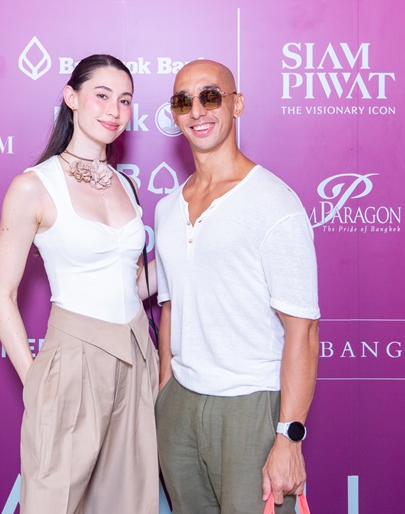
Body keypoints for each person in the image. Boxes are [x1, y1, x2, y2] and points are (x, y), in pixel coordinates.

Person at [0, 54, 159, 514]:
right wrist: (34, 381)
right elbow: (2, 295)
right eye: (102, 95)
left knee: (129, 503)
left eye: (125, 100)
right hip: (73, 358)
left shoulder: (127, 185)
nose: (114, 111)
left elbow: (130, 282)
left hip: (136, 355)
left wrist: (188, 254)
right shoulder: (33, 186)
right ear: (72, 98)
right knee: (54, 501)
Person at [154, 59, 320, 513]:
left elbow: (303, 330)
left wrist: (289, 436)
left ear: (237, 104)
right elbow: (170, 307)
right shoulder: (167, 208)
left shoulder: (274, 203)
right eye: (183, 101)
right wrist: (166, 391)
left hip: (252, 407)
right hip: (180, 407)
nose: (197, 111)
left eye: (210, 96)